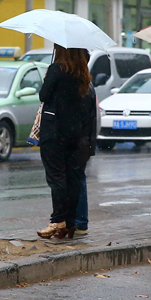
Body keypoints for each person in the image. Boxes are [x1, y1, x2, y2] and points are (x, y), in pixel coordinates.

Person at [37, 46, 97, 239]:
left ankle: (57, 221)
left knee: (57, 178)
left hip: (54, 133)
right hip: (75, 134)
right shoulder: (83, 74)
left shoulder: (57, 69)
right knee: (71, 179)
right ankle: (70, 223)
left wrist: (49, 75)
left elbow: (43, 96)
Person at [74, 49, 97, 237]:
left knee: (77, 179)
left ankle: (80, 222)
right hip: (84, 141)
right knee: (78, 178)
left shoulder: (82, 87)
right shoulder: (87, 84)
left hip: (78, 141)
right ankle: (79, 221)